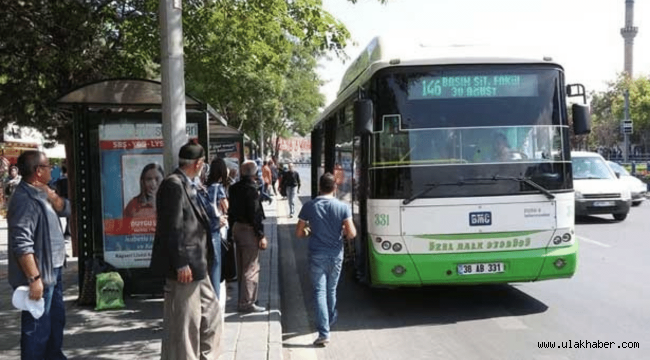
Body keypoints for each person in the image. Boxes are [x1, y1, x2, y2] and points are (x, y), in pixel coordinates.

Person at [150, 142, 221, 359]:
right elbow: (172, 227)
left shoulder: (188, 183)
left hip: (199, 264)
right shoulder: (173, 184)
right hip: (186, 266)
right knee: (186, 324)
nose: (204, 167)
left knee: (211, 314)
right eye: (203, 164)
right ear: (198, 163)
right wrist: (181, 262)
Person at [8, 150, 71, 359]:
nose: (51, 169)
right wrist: (34, 278)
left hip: (55, 267)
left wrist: (51, 195)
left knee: (55, 321)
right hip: (41, 271)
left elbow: (66, 210)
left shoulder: (43, 191)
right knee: (37, 327)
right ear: (37, 171)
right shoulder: (24, 199)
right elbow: (22, 243)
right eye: (47, 166)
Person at [295, 172, 357, 347]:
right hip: (336, 255)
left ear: (319, 187)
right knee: (331, 291)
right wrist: (342, 231)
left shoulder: (309, 206)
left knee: (319, 292)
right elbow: (352, 233)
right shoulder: (342, 207)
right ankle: (328, 322)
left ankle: (324, 332)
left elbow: (299, 233)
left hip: (316, 254)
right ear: (335, 188)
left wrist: (309, 231)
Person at [228, 160, 268, 313]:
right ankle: (247, 302)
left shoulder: (233, 188)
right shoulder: (252, 189)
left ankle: (243, 298)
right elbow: (255, 214)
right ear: (254, 173)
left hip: (237, 228)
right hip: (248, 230)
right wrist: (261, 235)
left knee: (241, 266)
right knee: (251, 267)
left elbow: (231, 211)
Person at [204, 157, 230, 298]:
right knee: (217, 262)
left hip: (207, 226)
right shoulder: (218, 188)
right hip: (218, 227)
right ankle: (216, 295)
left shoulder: (205, 187)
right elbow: (226, 206)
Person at [55, 165, 71, 238]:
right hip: (69, 200)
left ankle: (60, 231)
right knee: (70, 218)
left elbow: (57, 190)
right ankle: (68, 232)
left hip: (61, 199)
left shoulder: (59, 180)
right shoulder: (70, 180)